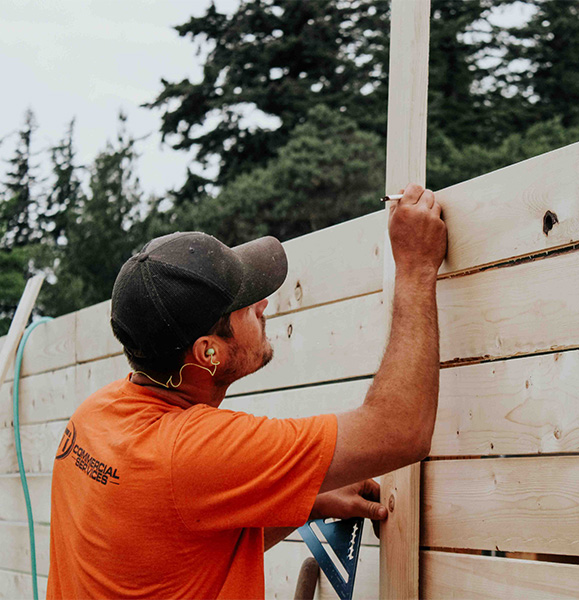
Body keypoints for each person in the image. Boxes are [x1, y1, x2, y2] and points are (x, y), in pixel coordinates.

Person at [47, 184, 447, 599]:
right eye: (247, 303)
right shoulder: (190, 451)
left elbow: (175, 549)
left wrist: (303, 501)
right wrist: (416, 267)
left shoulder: (95, 416)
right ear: (209, 351)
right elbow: (400, 431)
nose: (264, 305)